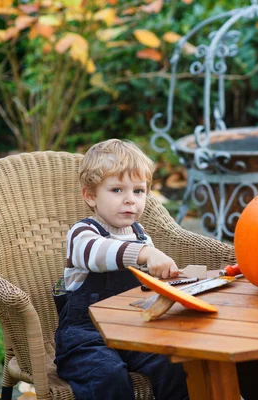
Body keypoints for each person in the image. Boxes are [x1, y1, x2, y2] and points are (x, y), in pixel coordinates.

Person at [54, 139, 189, 400]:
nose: (130, 200)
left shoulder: (141, 236)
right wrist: (145, 254)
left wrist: (168, 278)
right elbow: (96, 255)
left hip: (130, 329)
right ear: (90, 196)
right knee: (108, 376)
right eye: (117, 190)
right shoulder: (83, 233)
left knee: (173, 363)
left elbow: (144, 288)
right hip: (84, 337)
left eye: (138, 191)